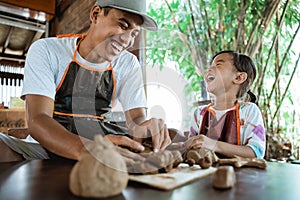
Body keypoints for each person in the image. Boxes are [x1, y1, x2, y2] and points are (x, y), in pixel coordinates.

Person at [0, 0, 171, 162]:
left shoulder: (128, 63)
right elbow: (38, 119)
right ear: (96, 14)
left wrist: (144, 127)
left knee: (172, 136)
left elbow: (137, 121)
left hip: (103, 145)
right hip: (46, 148)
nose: (127, 41)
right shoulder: (46, 50)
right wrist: (87, 149)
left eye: (134, 33)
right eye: (122, 25)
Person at [185, 50, 266, 158]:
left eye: (218, 65)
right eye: (210, 66)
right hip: (205, 174)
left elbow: (256, 153)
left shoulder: (249, 111)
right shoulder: (199, 113)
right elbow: (190, 150)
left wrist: (212, 144)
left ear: (239, 78)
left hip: (239, 175)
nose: (209, 69)